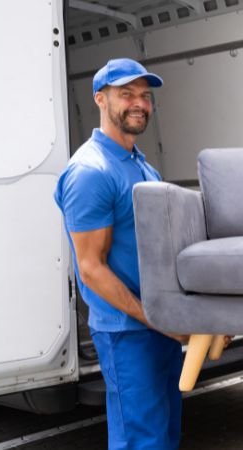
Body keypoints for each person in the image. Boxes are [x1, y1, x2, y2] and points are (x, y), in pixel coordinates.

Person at [54, 58, 183, 449]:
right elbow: (91, 269)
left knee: (162, 434)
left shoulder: (140, 165)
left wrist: (196, 317)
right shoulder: (91, 171)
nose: (138, 103)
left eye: (145, 95)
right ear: (100, 99)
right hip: (127, 333)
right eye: (126, 94)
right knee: (141, 439)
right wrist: (158, 320)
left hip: (156, 327)